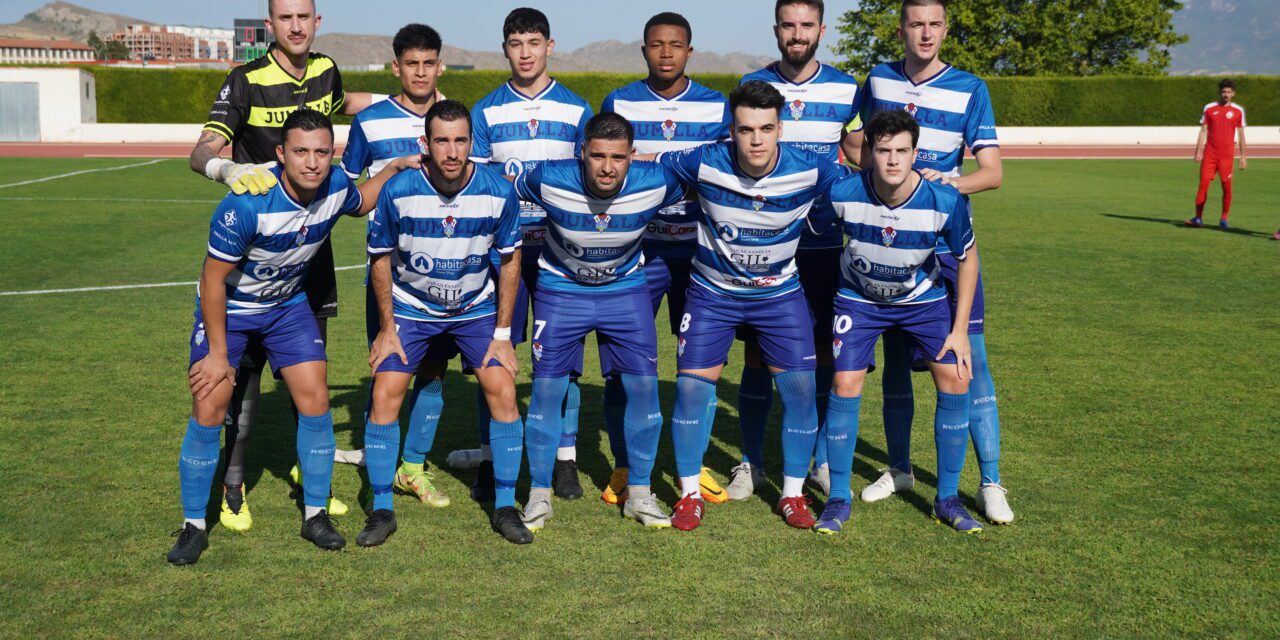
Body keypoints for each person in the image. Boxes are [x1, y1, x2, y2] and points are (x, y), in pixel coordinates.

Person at [167, 109, 416, 565]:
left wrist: (395, 167)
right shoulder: (246, 204)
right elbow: (211, 280)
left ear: (333, 155)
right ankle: (193, 526)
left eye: (322, 152)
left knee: (315, 399)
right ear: (281, 154)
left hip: (286, 308)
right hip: (232, 309)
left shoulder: (336, 186)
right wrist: (219, 354)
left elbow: (361, 201)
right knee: (210, 401)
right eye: (300, 151)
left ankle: (316, 515)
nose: (312, 162)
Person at [187, 0, 379, 531]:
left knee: (310, 381)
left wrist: (412, 104)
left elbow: (345, 106)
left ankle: (309, 477)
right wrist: (225, 168)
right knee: (240, 390)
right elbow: (200, 150)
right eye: (285, 17)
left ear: (318, 22)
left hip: (309, 252)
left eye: (305, 16)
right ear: (269, 24)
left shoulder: (325, 70)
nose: (296, 26)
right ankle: (233, 485)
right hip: (256, 242)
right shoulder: (245, 79)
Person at [650, 81, 844, 531]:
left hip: (779, 296)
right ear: (731, 130)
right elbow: (643, 173)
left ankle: (792, 496)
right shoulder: (702, 161)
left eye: (765, 129)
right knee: (692, 391)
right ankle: (688, 494)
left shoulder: (814, 169)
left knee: (799, 393)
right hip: (712, 293)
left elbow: (871, 189)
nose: (756, 139)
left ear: (781, 129)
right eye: (745, 129)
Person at [849, 0, 1013, 524]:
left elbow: (992, 171)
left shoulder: (971, 88)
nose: (925, 34)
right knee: (896, 362)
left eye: (934, 24)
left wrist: (951, 182)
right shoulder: (876, 81)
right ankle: (899, 469)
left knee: (970, 363)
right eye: (915, 24)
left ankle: (990, 482)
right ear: (901, 30)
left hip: (947, 248)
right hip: (892, 248)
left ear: (945, 29)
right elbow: (857, 144)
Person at [363, 100, 533, 546]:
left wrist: (502, 335)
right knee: (386, 390)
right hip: (411, 310)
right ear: (426, 143)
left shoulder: (498, 191)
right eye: (442, 140)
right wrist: (387, 327)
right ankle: (382, 507)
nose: (452, 151)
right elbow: (379, 260)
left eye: (460, 140)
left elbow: (510, 262)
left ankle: (504, 506)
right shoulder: (399, 190)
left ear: (472, 143)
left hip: (474, 310)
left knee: (502, 388)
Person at [513, 113, 688, 531]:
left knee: (644, 389)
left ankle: (640, 495)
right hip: (561, 292)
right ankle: (538, 496)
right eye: (597, 156)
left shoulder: (659, 182)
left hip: (625, 292)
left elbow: (712, 177)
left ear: (633, 157)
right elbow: (496, 188)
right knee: (547, 390)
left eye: (617, 157)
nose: (607, 167)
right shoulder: (547, 179)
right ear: (580, 154)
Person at [819, 109, 981, 535]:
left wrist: (960, 330)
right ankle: (837, 498)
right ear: (868, 152)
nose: (892, 160)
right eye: (883, 150)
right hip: (859, 300)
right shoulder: (842, 193)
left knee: (956, 379)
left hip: (923, 302)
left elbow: (967, 261)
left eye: (902, 151)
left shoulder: (944, 200)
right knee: (845, 384)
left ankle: (946, 498)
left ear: (915, 153)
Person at [458, 7, 594, 502]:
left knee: (564, 361)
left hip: (561, 254)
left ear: (549, 46)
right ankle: (492, 458)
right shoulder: (487, 111)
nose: (525, 52)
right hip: (505, 256)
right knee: (493, 356)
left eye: (533, 42)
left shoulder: (578, 111)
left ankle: (564, 460)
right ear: (505, 49)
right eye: (516, 44)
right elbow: (477, 188)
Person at [597, 11, 732, 507]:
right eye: (657, 45)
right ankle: (624, 464)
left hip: (699, 252)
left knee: (698, 367)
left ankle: (689, 468)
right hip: (640, 252)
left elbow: (723, 173)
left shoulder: (717, 106)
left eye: (676, 45)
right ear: (644, 50)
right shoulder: (621, 102)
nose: (667, 53)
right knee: (623, 364)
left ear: (690, 51)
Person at [734, 0, 861, 501]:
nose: (797, 33)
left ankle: (823, 462)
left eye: (806, 25)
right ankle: (751, 462)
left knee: (827, 351)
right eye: (788, 24)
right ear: (776, 30)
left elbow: (860, 149)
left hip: (825, 243)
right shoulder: (752, 85)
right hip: (763, 244)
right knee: (756, 353)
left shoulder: (848, 89)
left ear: (821, 30)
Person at [338, 23, 453, 507]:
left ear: (440, 66)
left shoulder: (455, 121)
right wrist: (391, 170)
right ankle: (381, 464)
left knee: (432, 375)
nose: (421, 72)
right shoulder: (372, 122)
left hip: (448, 275)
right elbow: (349, 200)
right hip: (390, 276)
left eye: (429, 63)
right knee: (389, 372)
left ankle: (413, 468)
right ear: (396, 68)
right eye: (412, 64)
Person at [1185, 78, 1247, 230]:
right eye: (1223, 91)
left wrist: (1243, 156)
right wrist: (1198, 151)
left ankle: (1224, 219)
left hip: (1227, 156)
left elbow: (1241, 134)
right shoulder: (1209, 109)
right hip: (1210, 155)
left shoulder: (1238, 112)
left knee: (1227, 187)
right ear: (1220, 92)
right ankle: (1198, 218)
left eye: (1229, 92)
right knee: (1203, 185)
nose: (1226, 94)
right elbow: (1203, 130)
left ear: (1233, 94)